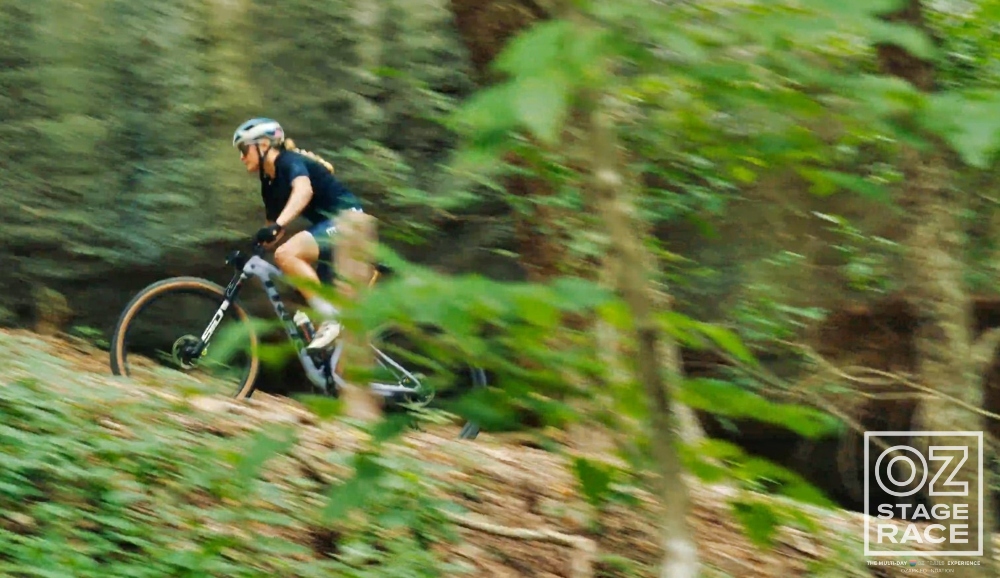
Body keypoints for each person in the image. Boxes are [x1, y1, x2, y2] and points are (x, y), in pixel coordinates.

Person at [232, 117, 362, 351]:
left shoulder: (289, 161)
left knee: (287, 254)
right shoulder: (268, 181)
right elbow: (272, 231)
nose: (241, 157)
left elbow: (303, 191)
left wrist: (278, 225)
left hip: (351, 222)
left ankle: (332, 318)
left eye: (244, 149)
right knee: (339, 344)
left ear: (263, 145)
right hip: (332, 230)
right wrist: (252, 253)